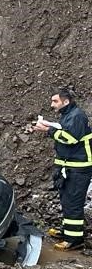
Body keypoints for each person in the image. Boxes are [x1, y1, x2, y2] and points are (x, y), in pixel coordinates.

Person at [34, 87, 92, 250]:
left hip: (79, 168)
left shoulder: (77, 116)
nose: (52, 104)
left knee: (73, 202)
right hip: (69, 166)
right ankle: (68, 231)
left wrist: (47, 130)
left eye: (55, 101)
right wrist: (51, 126)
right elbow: (64, 130)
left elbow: (71, 138)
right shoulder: (69, 115)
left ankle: (74, 240)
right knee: (66, 200)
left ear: (65, 101)